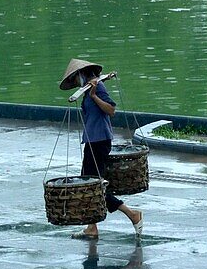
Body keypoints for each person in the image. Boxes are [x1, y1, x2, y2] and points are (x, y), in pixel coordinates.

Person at [59, 57, 144, 241]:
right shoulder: (90, 87)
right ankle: (92, 227)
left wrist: (95, 97)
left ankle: (132, 214)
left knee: (93, 185)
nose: (74, 83)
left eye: (74, 78)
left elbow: (111, 110)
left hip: (99, 141)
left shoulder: (98, 88)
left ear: (80, 74)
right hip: (92, 140)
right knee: (90, 183)